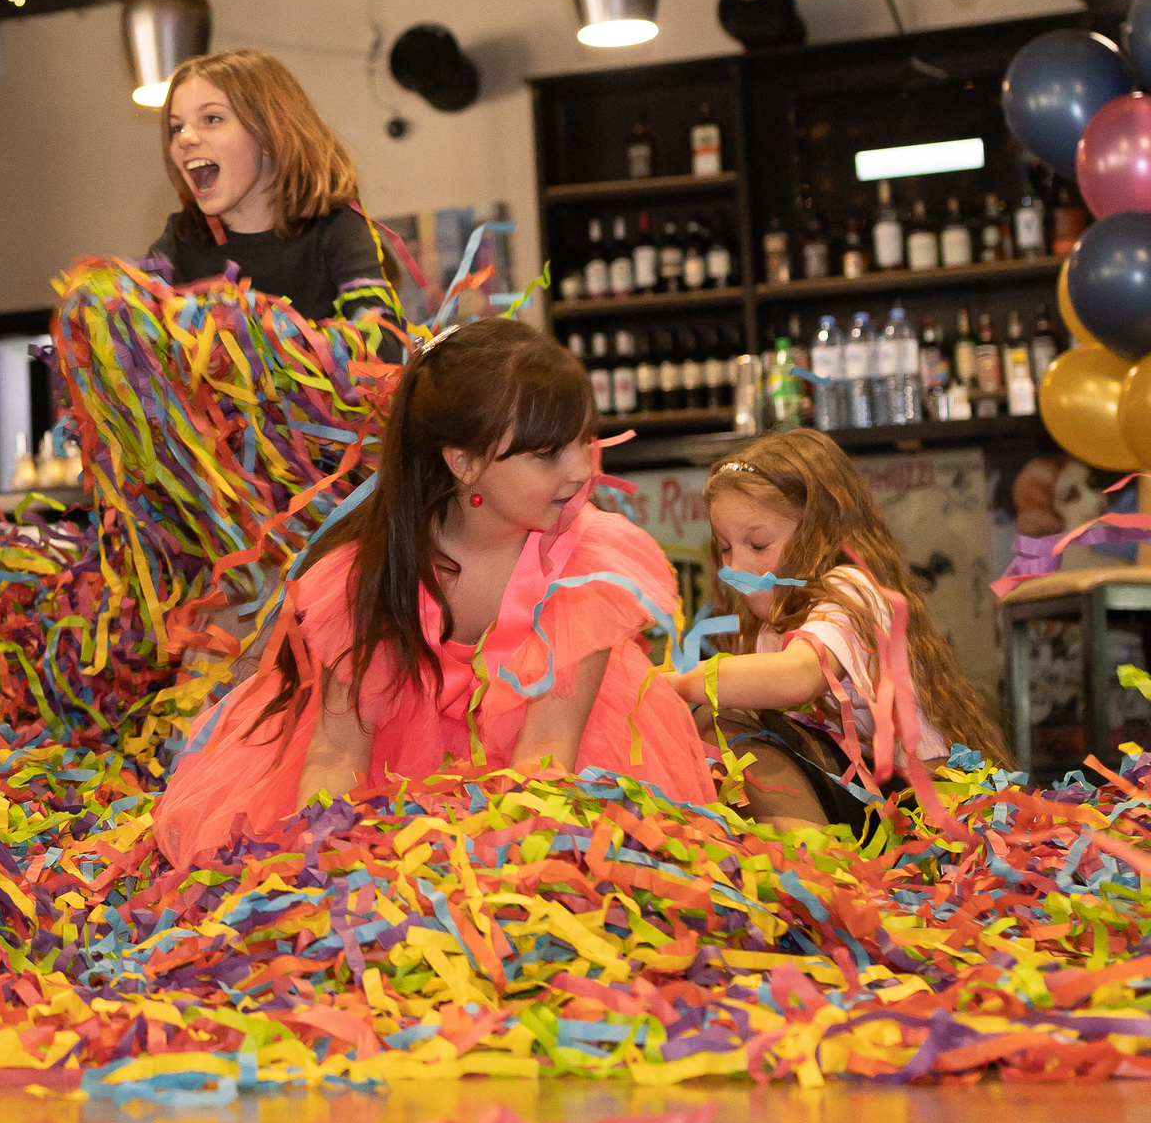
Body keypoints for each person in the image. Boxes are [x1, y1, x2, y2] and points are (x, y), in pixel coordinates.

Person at [154, 317, 717, 867]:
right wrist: (323, 864)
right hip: (391, 769)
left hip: (549, 780)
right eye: (548, 454)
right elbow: (338, 751)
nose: (580, 470)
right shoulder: (371, 573)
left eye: (583, 441)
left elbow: (548, 757)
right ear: (464, 463)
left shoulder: (586, 566)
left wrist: (490, 874)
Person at [666, 428, 1013, 827]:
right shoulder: (770, 622)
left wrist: (676, 684)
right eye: (725, 547)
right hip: (869, 792)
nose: (734, 568)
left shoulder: (850, 591)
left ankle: (817, 871)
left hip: (927, 802)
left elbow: (799, 676)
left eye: (758, 545)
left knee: (726, 725)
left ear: (821, 535)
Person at [145, 50, 392, 324]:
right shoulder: (178, 243)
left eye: (212, 119)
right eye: (176, 127)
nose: (185, 138)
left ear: (269, 134)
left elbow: (383, 345)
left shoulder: (335, 225)